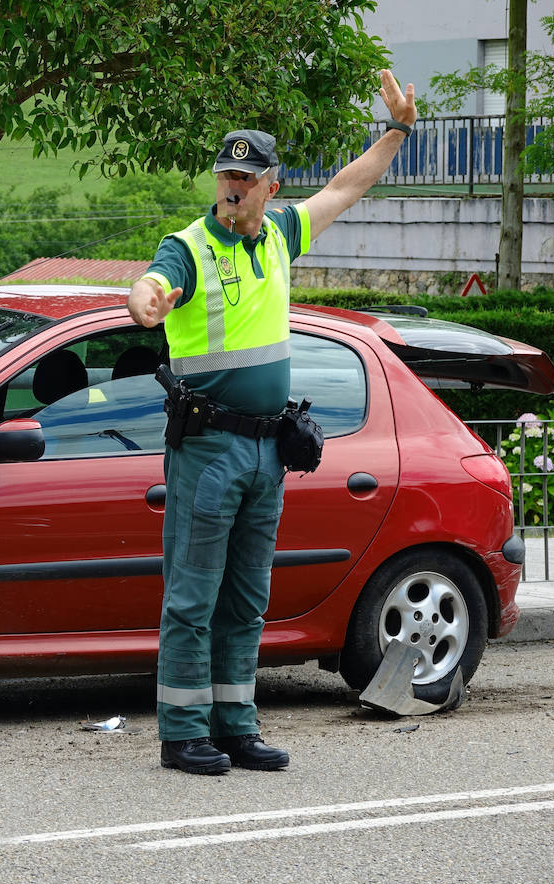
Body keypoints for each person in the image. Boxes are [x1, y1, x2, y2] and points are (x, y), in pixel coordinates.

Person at [127, 70, 417, 775]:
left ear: (270, 187)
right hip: (207, 447)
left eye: (246, 178)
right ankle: (183, 732)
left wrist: (398, 132)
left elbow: (345, 188)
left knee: (247, 599)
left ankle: (236, 725)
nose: (233, 187)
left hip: (266, 452)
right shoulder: (190, 246)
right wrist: (146, 303)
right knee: (193, 597)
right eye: (226, 176)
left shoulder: (282, 234)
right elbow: (151, 283)